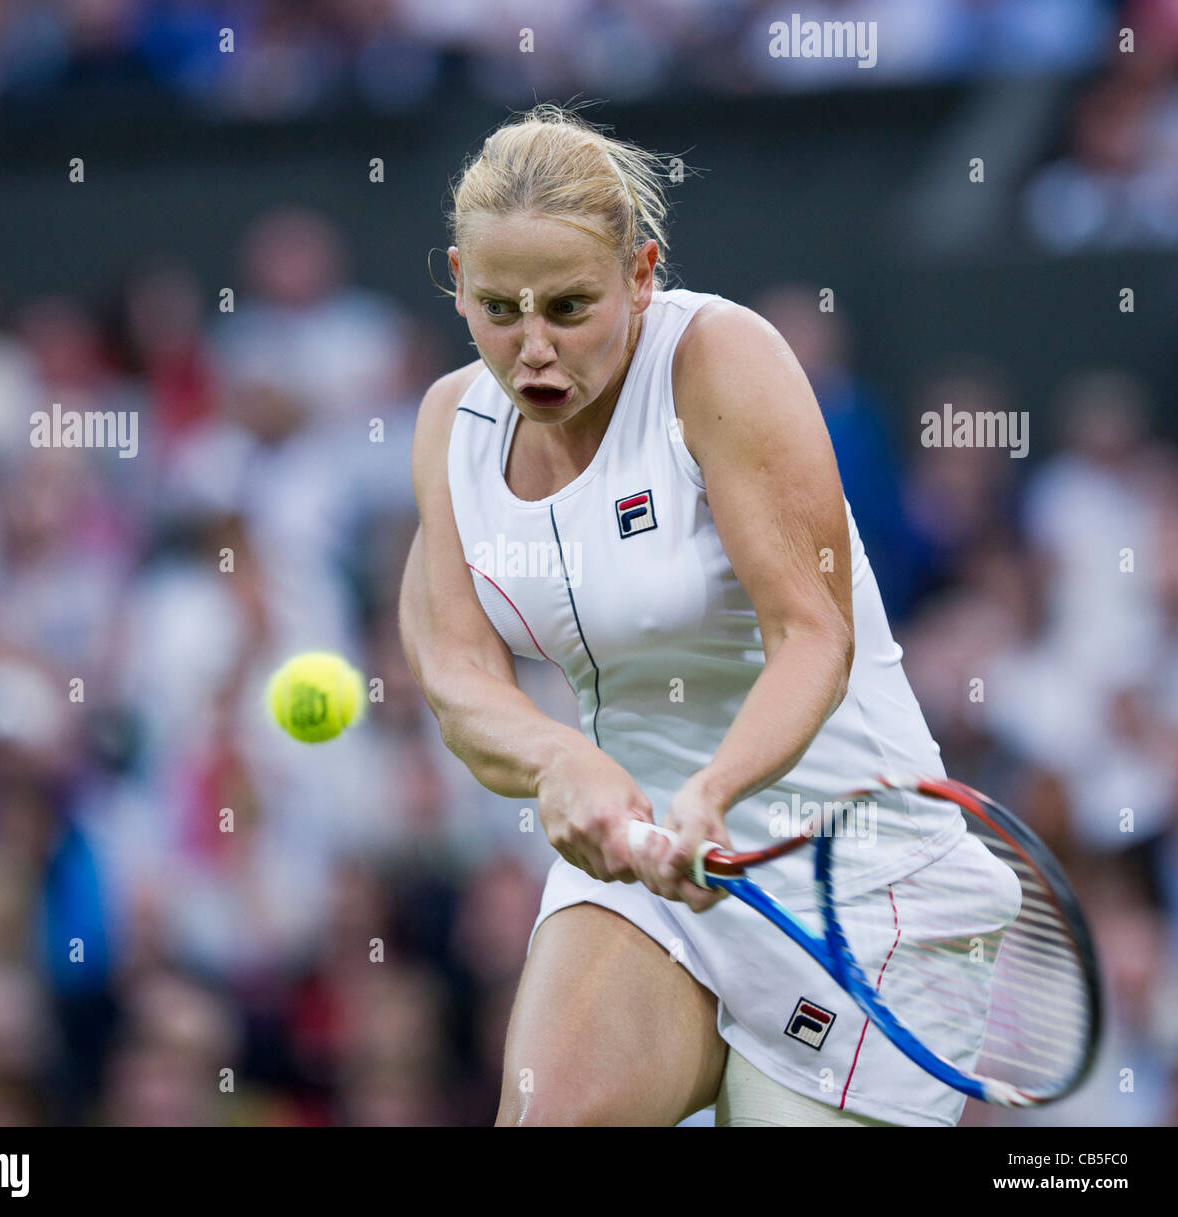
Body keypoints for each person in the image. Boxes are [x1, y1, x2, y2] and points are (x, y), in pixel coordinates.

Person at [398, 103, 978, 1127]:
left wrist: (713, 790)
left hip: (856, 882)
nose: (531, 348)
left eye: (570, 307)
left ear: (641, 271)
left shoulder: (721, 361)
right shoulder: (453, 421)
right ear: (455, 278)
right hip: (649, 867)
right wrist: (559, 758)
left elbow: (815, 635)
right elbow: (455, 672)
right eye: (497, 306)